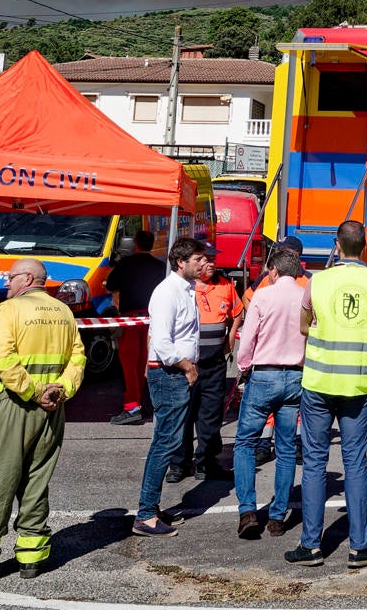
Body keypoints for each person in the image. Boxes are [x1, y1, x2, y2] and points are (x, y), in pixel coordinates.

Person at [0, 258, 86, 584]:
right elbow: (78, 358)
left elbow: (6, 361)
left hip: (13, 405)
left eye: (12, 278)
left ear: (28, 278)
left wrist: (35, 391)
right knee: (36, 481)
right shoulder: (63, 312)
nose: (8, 285)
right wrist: (62, 390)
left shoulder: (8, 311)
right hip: (53, 409)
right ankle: (32, 558)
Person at [288, 219, 367, 570]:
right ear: (365, 245)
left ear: (336, 245)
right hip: (357, 386)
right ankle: (360, 547)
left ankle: (311, 546)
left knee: (315, 462)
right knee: (355, 462)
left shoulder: (319, 281)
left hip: (318, 382)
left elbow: (303, 324)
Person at [134, 238, 210, 537]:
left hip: (173, 373)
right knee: (165, 443)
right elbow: (163, 342)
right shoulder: (168, 292)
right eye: (197, 259)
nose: (203, 263)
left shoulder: (185, 289)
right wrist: (187, 366)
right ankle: (145, 514)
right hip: (169, 373)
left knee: (169, 441)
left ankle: (150, 508)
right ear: (181, 262)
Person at [233, 247, 307, 540]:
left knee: (245, 443)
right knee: (287, 447)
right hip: (295, 376)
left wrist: (244, 366)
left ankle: (248, 510)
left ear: (274, 271)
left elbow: (248, 337)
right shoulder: (305, 296)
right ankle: (277, 516)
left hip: (264, 374)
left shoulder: (263, 295)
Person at [177, 261, 237, 480]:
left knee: (210, 417)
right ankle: (179, 464)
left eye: (213, 259)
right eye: (206, 260)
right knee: (183, 416)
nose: (211, 263)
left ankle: (206, 462)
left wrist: (231, 335)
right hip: (187, 365)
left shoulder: (224, 284)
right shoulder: (183, 287)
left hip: (214, 365)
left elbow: (237, 311)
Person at [108, 230, 167, 426]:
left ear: (135, 245)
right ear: (151, 244)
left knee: (129, 365)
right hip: (152, 319)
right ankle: (145, 402)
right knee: (147, 363)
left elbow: (110, 284)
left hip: (130, 319)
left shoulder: (125, 264)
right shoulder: (160, 266)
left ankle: (132, 405)